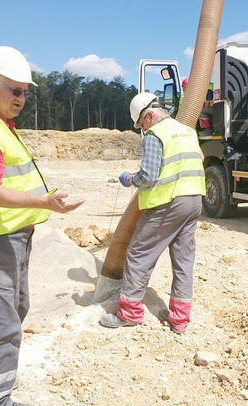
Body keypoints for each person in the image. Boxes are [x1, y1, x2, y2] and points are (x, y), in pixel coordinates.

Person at [0, 46, 84, 406]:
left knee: (11, 309)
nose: (23, 98)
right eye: (15, 90)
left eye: (26, 91)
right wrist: (44, 203)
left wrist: (46, 198)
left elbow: (11, 180)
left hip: (8, 237)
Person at [99, 92, 205, 334]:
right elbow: (199, 157)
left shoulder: (155, 134)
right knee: (184, 261)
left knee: (138, 253)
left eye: (141, 124)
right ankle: (179, 319)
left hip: (168, 203)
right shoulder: (186, 131)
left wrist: (128, 179)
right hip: (194, 201)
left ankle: (130, 313)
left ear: (148, 115)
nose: (142, 130)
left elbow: (147, 177)